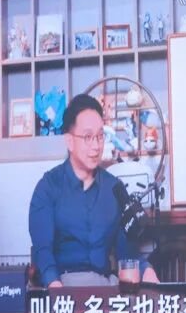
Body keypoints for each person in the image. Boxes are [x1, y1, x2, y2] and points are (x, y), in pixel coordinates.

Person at [29, 94, 157, 288]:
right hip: (62, 285)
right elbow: (43, 251)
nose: (96, 146)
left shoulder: (114, 188)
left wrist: (145, 269)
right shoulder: (48, 187)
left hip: (104, 286)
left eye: (100, 136)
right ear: (69, 141)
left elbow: (127, 255)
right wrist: (55, 288)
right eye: (88, 137)